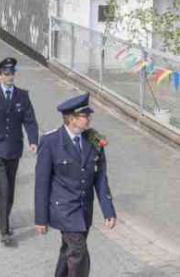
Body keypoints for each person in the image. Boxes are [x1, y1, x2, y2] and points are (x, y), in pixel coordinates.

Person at [34, 93, 117, 277]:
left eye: (88, 115)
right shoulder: (51, 142)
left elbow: (100, 178)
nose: (89, 119)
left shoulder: (94, 141)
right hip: (64, 209)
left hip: (84, 210)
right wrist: (41, 218)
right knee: (78, 253)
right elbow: (42, 183)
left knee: (69, 252)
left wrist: (108, 210)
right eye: (85, 115)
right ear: (71, 118)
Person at [0, 57, 39, 246]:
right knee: (3, 187)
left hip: (13, 149)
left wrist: (33, 140)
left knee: (9, 190)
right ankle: (4, 230)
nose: (9, 77)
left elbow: (29, 120)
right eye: (6, 74)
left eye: (12, 73)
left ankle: (1, 217)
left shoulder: (22, 95)